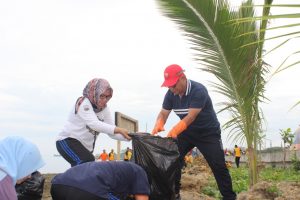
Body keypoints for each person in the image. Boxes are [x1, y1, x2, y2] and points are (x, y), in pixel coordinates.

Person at [152, 64, 236, 200]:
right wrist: (159, 123)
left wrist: (175, 130)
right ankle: (174, 194)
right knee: (173, 158)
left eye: (173, 85)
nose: (171, 89)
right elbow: (163, 112)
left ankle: (229, 197)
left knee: (218, 165)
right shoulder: (170, 94)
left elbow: (191, 117)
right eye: (168, 86)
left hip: (207, 133)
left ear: (183, 78)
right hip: (186, 133)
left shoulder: (198, 90)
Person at [56, 78, 131, 167]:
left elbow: (112, 133)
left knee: (86, 167)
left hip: (84, 148)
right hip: (67, 141)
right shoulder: (83, 102)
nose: (105, 100)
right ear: (94, 94)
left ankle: (67, 181)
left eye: (107, 97)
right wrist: (118, 129)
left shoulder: (105, 109)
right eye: (102, 96)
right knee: (86, 163)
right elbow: (94, 124)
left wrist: (132, 136)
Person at [51, 161, 150, 200]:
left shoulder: (121, 168)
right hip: (87, 191)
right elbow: (142, 198)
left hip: (58, 186)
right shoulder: (140, 171)